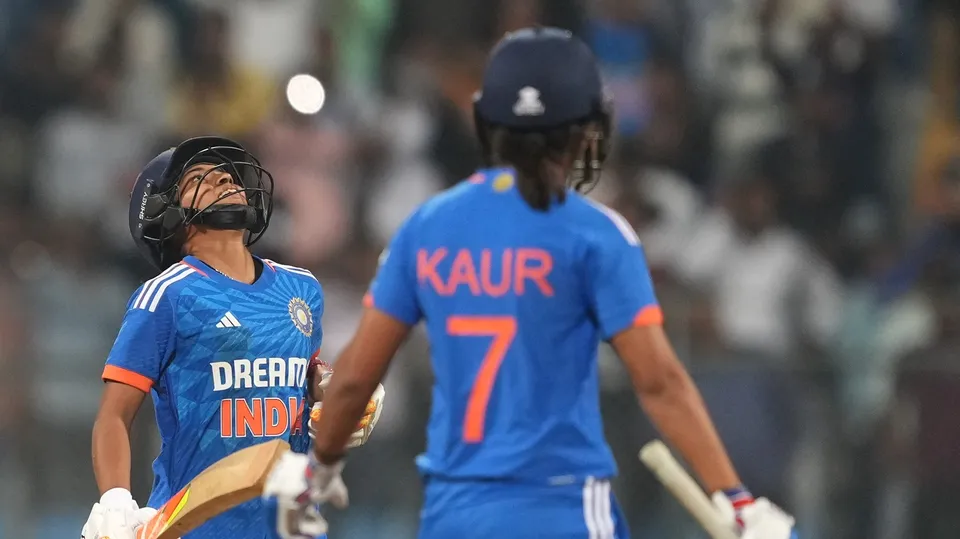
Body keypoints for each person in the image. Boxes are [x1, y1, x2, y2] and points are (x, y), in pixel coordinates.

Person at [264, 28, 796, 539]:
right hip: (563, 507)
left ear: (485, 120)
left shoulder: (425, 227)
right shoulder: (596, 234)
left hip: (455, 515)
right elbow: (659, 381)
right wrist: (736, 499)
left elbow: (356, 376)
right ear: (588, 127)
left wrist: (315, 475)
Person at [81, 136, 385, 539]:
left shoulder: (302, 288)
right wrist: (116, 499)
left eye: (229, 174)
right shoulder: (168, 294)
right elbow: (114, 415)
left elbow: (302, 369)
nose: (224, 178)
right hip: (197, 526)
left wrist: (333, 390)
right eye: (199, 178)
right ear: (164, 211)